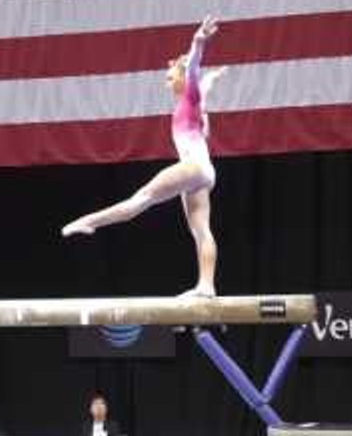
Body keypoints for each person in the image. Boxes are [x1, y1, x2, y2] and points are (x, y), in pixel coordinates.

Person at [62, 15, 228, 299]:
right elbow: (203, 84)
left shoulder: (189, 95)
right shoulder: (195, 102)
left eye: (170, 76)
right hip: (204, 172)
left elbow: (194, 68)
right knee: (201, 230)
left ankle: (90, 221)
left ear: (184, 75)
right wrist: (210, 79)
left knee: (141, 199)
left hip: (194, 167)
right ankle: (206, 286)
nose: (167, 81)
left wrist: (197, 41)